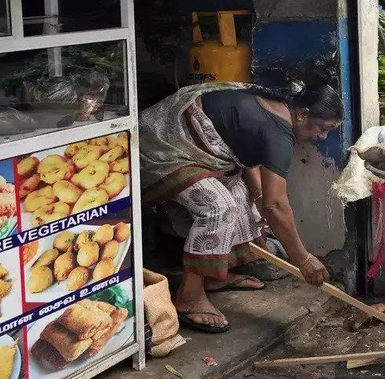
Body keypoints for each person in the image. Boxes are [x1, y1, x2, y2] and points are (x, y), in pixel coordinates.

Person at [139, 82, 343, 333]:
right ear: (302, 114)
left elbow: (250, 158)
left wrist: (257, 196)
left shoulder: (278, 106)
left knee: (243, 202)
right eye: (323, 128)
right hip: (161, 146)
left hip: (193, 147)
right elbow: (276, 205)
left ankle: (213, 276)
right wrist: (303, 259)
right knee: (219, 208)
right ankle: (189, 296)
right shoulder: (279, 134)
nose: (322, 136)